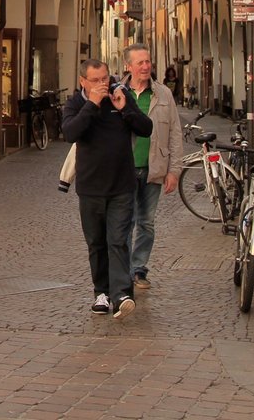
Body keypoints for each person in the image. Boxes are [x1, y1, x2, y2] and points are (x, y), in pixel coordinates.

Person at [61, 58, 153, 320]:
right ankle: (101, 293)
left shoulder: (120, 96)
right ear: (83, 82)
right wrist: (92, 104)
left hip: (121, 185)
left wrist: (126, 111)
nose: (104, 84)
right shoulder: (76, 103)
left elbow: (146, 128)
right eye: (97, 80)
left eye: (106, 79)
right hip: (90, 187)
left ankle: (122, 293)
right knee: (96, 243)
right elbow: (70, 132)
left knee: (118, 240)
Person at [120, 44, 184, 292]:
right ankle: (123, 271)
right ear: (128, 66)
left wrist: (174, 170)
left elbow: (175, 134)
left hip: (153, 168)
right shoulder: (118, 93)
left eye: (148, 61)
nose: (146, 66)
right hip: (123, 170)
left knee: (146, 223)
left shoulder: (163, 94)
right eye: (140, 63)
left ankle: (139, 269)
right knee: (125, 222)